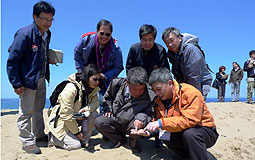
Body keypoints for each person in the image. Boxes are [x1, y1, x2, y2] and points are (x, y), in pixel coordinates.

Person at [131, 68, 219, 160]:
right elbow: (159, 122)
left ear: (170, 83)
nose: (157, 93)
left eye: (159, 89)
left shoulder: (190, 93)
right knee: (165, 134)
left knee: (190, 134)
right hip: (182, 130)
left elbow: (190, 120)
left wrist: (161, 123)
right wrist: (148, 132)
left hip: (205, 130)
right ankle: (188, 156)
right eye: (154, 90)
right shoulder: (159, 100)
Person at [6, 1, 55, 154]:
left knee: (38, 109)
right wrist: (16, 83)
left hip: (40, 78)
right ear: (35, 17)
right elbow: (13, 60)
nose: (47, 23)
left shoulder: (47, 34)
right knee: (26, 111)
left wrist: (48, 59)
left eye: (50, 19)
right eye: (44, 18)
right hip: (27, 80)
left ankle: (39, 135)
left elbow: (37, 55)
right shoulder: (24, 33)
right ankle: (27, 143)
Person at [94, 67, 155, 153]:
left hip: (132, 123)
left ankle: (133, 142)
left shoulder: (150, 94)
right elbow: (107, 98)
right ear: (127, 82)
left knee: (138, 128)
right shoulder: (116, 84)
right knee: (98, 121)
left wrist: (140, 119)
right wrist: (108, 109)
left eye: (141, 89)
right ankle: (120, 139)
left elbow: (150, 112)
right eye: (134, 89)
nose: (138, 93)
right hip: (116, 119)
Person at [74, 19, 124, 114]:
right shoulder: (86, 41)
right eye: (102, 33)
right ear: (97, 31)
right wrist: (82, 72)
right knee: (80, 103)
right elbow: (77, 53)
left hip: (104, 82)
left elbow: (118, 67)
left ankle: (99, 127)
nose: (104, 37)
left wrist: (104, 76)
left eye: (108, 34)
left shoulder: (116, 48)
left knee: (104, 105)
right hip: (86, 78)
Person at [48, 64, 100, 150]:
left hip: (76, 117)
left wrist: (85, 110)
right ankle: (53, 138)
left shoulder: (93, 89)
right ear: (87, 77)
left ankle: (84, 140)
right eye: (95, 79)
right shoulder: (71, 88)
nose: (97, 82)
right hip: (62, 121)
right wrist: (77, 133)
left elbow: (95, 103)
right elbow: (66, 115)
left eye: (99, 79)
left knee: (93, 113)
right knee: (75, 146)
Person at [162, 27, 212, 100]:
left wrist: (191, 96)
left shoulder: (191, 50)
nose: (169, 44)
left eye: (171, 40)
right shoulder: (173, 54)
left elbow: (194, 77)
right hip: (185, 86)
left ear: (179, 38)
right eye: (166, 43)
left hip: (199, 86)